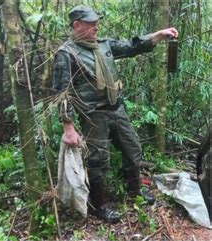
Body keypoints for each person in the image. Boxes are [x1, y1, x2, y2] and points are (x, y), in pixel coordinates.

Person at [52, 5, 178, 223]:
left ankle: (134, 191)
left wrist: (158, 35)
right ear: (77, 25)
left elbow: (131, 46)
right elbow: (61, 93)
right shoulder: (66, 54)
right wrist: (68, 127)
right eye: (91, 24)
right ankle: (99, 206)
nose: (96, 27)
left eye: (96, 23)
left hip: (116, 108)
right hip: (93, 114)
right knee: (98, 160)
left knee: (133, 148)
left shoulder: (104, 45)